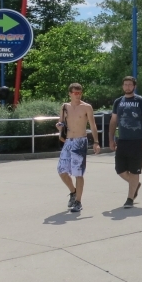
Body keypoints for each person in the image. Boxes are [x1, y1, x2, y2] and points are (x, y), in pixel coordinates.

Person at [109, 76, 142, 208]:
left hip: (137, 141)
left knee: (134, 171)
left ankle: (130, 198)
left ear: (134, 86)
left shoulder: (141, 101)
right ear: (122, 86)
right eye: (125, 85)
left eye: (130, 85)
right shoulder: (118, 102)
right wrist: (111, 139)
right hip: (122, 140)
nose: (127, 87)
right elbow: (113, 121)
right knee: (120, 169)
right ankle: (135, 185)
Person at [57, 83, 101, 213]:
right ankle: (73, 192)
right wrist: (59, 126)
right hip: (68, 140)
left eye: (80, 93)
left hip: (80, 141)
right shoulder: (65, 107)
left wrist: (96, 142)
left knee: (78, 173)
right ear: (70, 94)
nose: (78, 95)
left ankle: (78, 201)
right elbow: (62, 123)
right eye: (75, 93)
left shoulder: (86, 107)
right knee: (61, 170)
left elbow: (93, 125)